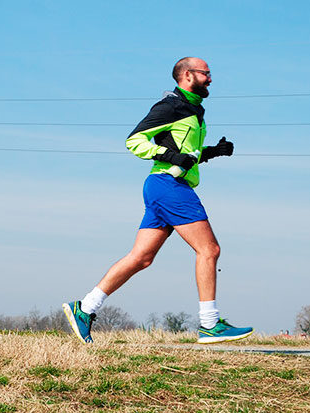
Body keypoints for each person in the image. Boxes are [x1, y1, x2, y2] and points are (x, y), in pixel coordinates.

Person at [63, 57, 253, 345]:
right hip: (169, 185)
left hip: (162, 186)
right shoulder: (171, 106)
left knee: (141, 258)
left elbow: (186, 153)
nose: (211, 79)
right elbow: (134, 140)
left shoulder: (194, 110)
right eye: (207, 73)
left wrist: (214, 151)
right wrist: (169, 157)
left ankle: (85, 308)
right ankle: (210, 324)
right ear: (188, 75)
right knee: (209, 249)